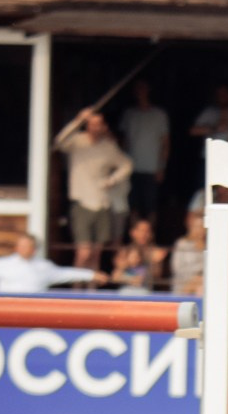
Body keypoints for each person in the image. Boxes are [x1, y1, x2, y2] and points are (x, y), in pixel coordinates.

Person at [52, 106, 133, 276]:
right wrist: (78, 119)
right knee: (83, 253)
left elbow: (127, 164)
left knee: (95, 254)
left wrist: (112, 180)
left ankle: (91, 292)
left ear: (104, 127)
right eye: (91, 124)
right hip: (82, 203)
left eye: (98, 124)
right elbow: (58, 142)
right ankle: (76, 292)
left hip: (102, 203)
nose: (95, 127)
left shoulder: (109, 147)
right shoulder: (77, 141)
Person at [118, 81, 169, 228]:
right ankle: (135, 239)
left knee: (151, 207)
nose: (140, 92)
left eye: (143, 88)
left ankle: (149, 240)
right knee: (133, 205)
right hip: (131, 168)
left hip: (152, 168)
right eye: (138, 89)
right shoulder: (129, 114)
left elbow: (165, 143)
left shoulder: (159, 115)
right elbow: (124, 141)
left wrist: (161, 167)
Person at [0, 233, 104, 291]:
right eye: (21, 246)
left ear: (34, 249)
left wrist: (91, 275)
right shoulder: (3, 263)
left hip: (33, 311)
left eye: (27, 246)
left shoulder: (43, 266)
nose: (23, 249)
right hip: (8, 309)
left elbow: (65, 274)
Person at [110, 216, 167, 293]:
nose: (143, 234)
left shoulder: (155, 252)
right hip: (125, 292)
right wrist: (129, 263)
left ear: (151, 234)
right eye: (140, 230)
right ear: (132, 232)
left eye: (147, 231)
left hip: (145, 293)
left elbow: (157, 276)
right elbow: (115, 277)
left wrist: (155, 262)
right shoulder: (125, 251)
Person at [168, 209, 207, 295]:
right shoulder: (182, 244)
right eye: (196, 226)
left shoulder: (208, 247)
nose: (199, 230)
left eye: (201, 227)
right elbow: (176, 268)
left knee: (202, 284)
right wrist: (197, 273)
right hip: (183, 282)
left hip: (202, 282)